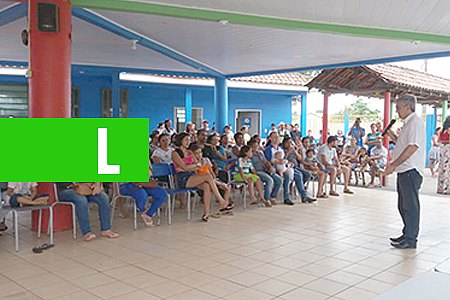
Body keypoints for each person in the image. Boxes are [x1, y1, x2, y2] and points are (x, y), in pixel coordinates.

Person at [385, 94, 426, 249]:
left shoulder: (415, 123)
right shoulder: (407, 124)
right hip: (404, 170)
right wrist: (392, 135)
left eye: (398, 107)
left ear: (408, 107)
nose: (397, 111)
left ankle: (411, 239)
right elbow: (402, 144)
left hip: (411, 170)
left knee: (410, 206)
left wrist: (393, 164)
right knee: (403, 205)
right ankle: (406, 233)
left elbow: (412, 147)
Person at [171, 133, 230, 222]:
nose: (188, 142)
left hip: (193, 176)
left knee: (207, 185)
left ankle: (206, 213)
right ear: (180, 140)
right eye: (186, 140)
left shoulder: (190, 152)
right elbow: (185, 167)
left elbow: (199, 165)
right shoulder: (175, 153)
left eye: (189, 140)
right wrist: (191, 166)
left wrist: (190, 167)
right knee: (207, 176)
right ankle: (221, 200)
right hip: (183, 179)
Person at [249, 139, 282, 205]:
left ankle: (273, 196)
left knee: (279, 179)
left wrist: (270, 167)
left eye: (257, 146)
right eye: (254, 147)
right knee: (269, 180)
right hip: (257, 172)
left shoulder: (260, 153)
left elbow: (266, 161)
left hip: (265, 170)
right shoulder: (249, 155)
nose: (256, 148)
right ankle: (267, 199)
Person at [437, 117, 450, 194]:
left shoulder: (441, 131)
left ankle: (440, 188)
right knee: (447, 169)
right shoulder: (449, 130)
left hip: (442, 149)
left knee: (442, 168)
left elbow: (438, 140)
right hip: (448, 149)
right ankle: (447, 189)